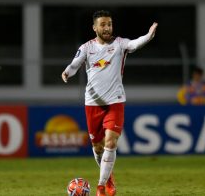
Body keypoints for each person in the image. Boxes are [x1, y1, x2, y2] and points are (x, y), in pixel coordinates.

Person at [61, 10, 157, 196]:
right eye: (103, 25)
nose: (107, 28)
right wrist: (67, 73)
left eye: (109, 24)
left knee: (111, 143)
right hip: (93, 103)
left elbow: (135, 43)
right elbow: (75, 64)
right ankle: (109, 177)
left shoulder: (120, 44)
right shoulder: (87, 47)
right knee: (97, 147)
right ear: (95, 27)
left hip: (115, 102)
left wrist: (148, 35)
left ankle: (101, 187)